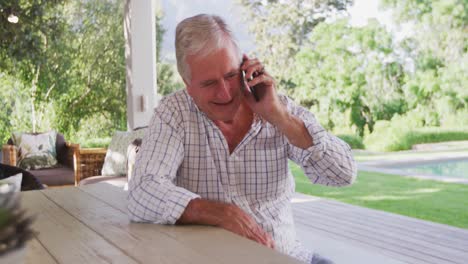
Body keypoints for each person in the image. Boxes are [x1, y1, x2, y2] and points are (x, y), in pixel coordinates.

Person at [127, 14, 357, 264]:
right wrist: (219, 213)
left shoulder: (278, 108)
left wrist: (280, 117)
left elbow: (343, 174)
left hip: (285, 256)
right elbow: (142, 190)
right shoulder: (174, 113)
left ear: (245, 67)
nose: (224, 93)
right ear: (187, 83)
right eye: (209, 83)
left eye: (229, 75)